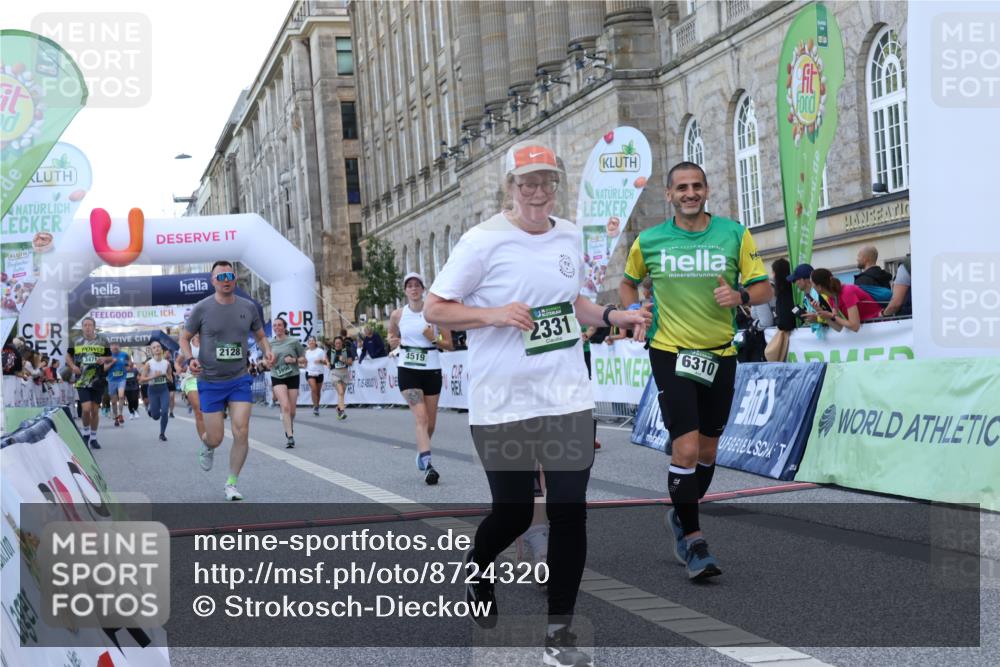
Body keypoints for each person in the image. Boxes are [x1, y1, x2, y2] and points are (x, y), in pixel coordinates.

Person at [425, 140, 649, 665]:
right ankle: (480, 567)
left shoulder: (569, 234)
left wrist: (616, 317)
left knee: (570, 513)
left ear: (557, 185)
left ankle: (560, 635)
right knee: (515, 513)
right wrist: (495, 314)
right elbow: (437, 307)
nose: (538, 191)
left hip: (565, 393)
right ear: (510, 187)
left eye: (547, 181)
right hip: (502, 400)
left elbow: (572, 303)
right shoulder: (482, 242)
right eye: (527, 182)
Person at [620, 161, 771, 581]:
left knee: (707, 452)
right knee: (684, 450)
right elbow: (629, 282)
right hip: (670, 352)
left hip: (720, 353)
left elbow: (764, 289)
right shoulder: (649, 241)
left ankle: (681, 515)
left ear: (706, 190)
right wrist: (636, 310)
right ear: (668, 195)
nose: (690, 193)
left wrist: (738, 293)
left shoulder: (734, 234)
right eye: (681, 187)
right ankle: (695, 540)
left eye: (697, 186)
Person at [179, 260, 272, 501]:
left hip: (239, 378)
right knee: (216, 438)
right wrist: (190, 359)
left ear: (235, 278)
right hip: (210, 380)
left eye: (229, 275)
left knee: (241, 430)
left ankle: (231, 483)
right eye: (220, 277)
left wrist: (267, 350)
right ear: (213, 282)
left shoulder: (248, 307)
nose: (226, 279)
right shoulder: (202, 308)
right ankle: (207, 445)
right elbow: (184, 338)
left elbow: (260, 336)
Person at [388, 272, 454, 485]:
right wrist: (392, 340)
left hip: (432, 369)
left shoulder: (434, 312)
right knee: (421, 418)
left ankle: (421, 450)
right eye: (410, 285)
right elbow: (391, 335)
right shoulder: (398, 315)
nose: (414, 289)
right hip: (408, 370)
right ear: (405, 290)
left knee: (431, 423)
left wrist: (433, 338)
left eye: (417, 285)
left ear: (423, 289)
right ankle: (428, 465)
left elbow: (450, 344)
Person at [65, 317, 113, 450]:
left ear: (94, 327)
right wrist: (73, 366)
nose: (87, 327)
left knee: (94, 411)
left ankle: (93, 437)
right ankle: (85, 433)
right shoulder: (76, 341)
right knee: (86, 409)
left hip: (98, 380)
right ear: (82, 327)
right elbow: (68, 356)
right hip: (82, 380)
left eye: (89, 325)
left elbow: (110, 357)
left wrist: (104, 358)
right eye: (85, 325)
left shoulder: (102, 340)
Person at [269, 316, 306, 448]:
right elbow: (264, 361)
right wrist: (268, 362)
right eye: (275, 325)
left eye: (279, 325)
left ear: (284, 327)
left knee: (292, 411)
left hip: (292, 375)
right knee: (284, 406)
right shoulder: (269, 343)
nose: (277, 327)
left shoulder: (293, 341)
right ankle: (290, 436)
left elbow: (304, 359)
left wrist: (294, 360)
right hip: (277, 375)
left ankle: (289, 425)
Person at [809, 268, 882, 332]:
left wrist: (831, 315)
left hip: (879, 325)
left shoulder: (847, 292)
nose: (811, 286)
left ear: (819, 287)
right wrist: (821, 312)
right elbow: (839, 328)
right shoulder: (831, 298)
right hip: (869, 328)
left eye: (812, 283)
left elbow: (855, 326)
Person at [140, 341, 173, 441]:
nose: (157, 348)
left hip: (163, 390)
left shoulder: (167, 363)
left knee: (165, 411)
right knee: (155, 416)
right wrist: (154, 376)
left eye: (158, 346)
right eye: (154, 347)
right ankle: (151, 409)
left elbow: (171, 378)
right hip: (153, 391)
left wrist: (166, 376)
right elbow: (141, 379)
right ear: (152, 351)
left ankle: (162, 433)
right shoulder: (149, 364)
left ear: (161, 349)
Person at [328, 336, 354, 420]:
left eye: (339, 343)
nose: (338, 345)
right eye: (336, 343)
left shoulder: (347, 350)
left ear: (342, 343)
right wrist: (327, 363)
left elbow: (350, 362)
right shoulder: (330, 351)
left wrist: (344, 360)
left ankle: (339, 408)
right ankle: (342, 411)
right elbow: (327, 360)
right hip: (335, 373)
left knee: (341, 394)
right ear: (334, 343)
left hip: (344, 373)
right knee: (341, 392)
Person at [105, 343, 129, 427]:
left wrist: (127, 369)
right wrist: (112, 363)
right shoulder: (108, 356)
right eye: (113, 345)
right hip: (111, 380)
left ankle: (120, 414)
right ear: (110, 347)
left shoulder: (124, 355)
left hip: (121, 379)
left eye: (116, 345)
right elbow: (104, 368)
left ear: (119, 347)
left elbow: (128, 364)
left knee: (121, 396)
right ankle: (116, 417)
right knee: (114, 402)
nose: (114, 347)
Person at [304, 336, 328, 416]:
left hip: (319, 373)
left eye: (312, 340)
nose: (311, 342)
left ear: (315, 342)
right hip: (309, 373)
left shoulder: (320, 351)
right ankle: (315, 407)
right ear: (308, 343)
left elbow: (326, 362)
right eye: (309, 341)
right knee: (314, 389)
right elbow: (304, 364)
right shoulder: (306, 352)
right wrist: (303, 364)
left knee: (317, 391)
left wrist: (320, 361)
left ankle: (317, 406)